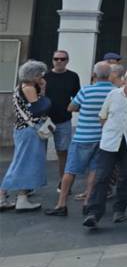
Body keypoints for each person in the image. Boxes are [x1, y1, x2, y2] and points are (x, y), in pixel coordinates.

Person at [83, 67, 127, 228]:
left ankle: (120, 209)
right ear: (125, 79)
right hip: (110, 141)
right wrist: (108, 131)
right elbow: (103, 116)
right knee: (102, 176)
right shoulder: (113, 94)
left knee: (126, 177)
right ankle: (94, 212)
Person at [46, 61, 115, 216]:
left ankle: (61, 204)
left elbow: (71, 107)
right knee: (94, 171)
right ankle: (87, 203)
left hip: (83, 135)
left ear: (94, 75)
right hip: (103, 137)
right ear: (109, 75)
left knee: (70, 170)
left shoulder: (86, 90)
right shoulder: (115, 91)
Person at [0, 60, 51, 212]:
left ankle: (22, 197)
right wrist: (43, 90)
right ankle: (2, 195)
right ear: (33, 75)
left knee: (25, 163)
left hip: (24, 130)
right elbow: (39, 108)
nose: (42, 76)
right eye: (40, 74)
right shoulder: (29, 88)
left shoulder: (21, 87)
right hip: (29, 131)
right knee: (21, 163)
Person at [44, 49, 80, 182]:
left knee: (63, 152)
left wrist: (75, 108)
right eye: (56, 59)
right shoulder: (45, 77)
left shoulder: (73, 76)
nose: (59, 61)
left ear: (67, 61)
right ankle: (30, 184)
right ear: (52, 60)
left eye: (62, 59)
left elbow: (77, 96)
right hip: (44, 121)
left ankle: (62, 181)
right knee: (38, 153)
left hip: (64, 120)